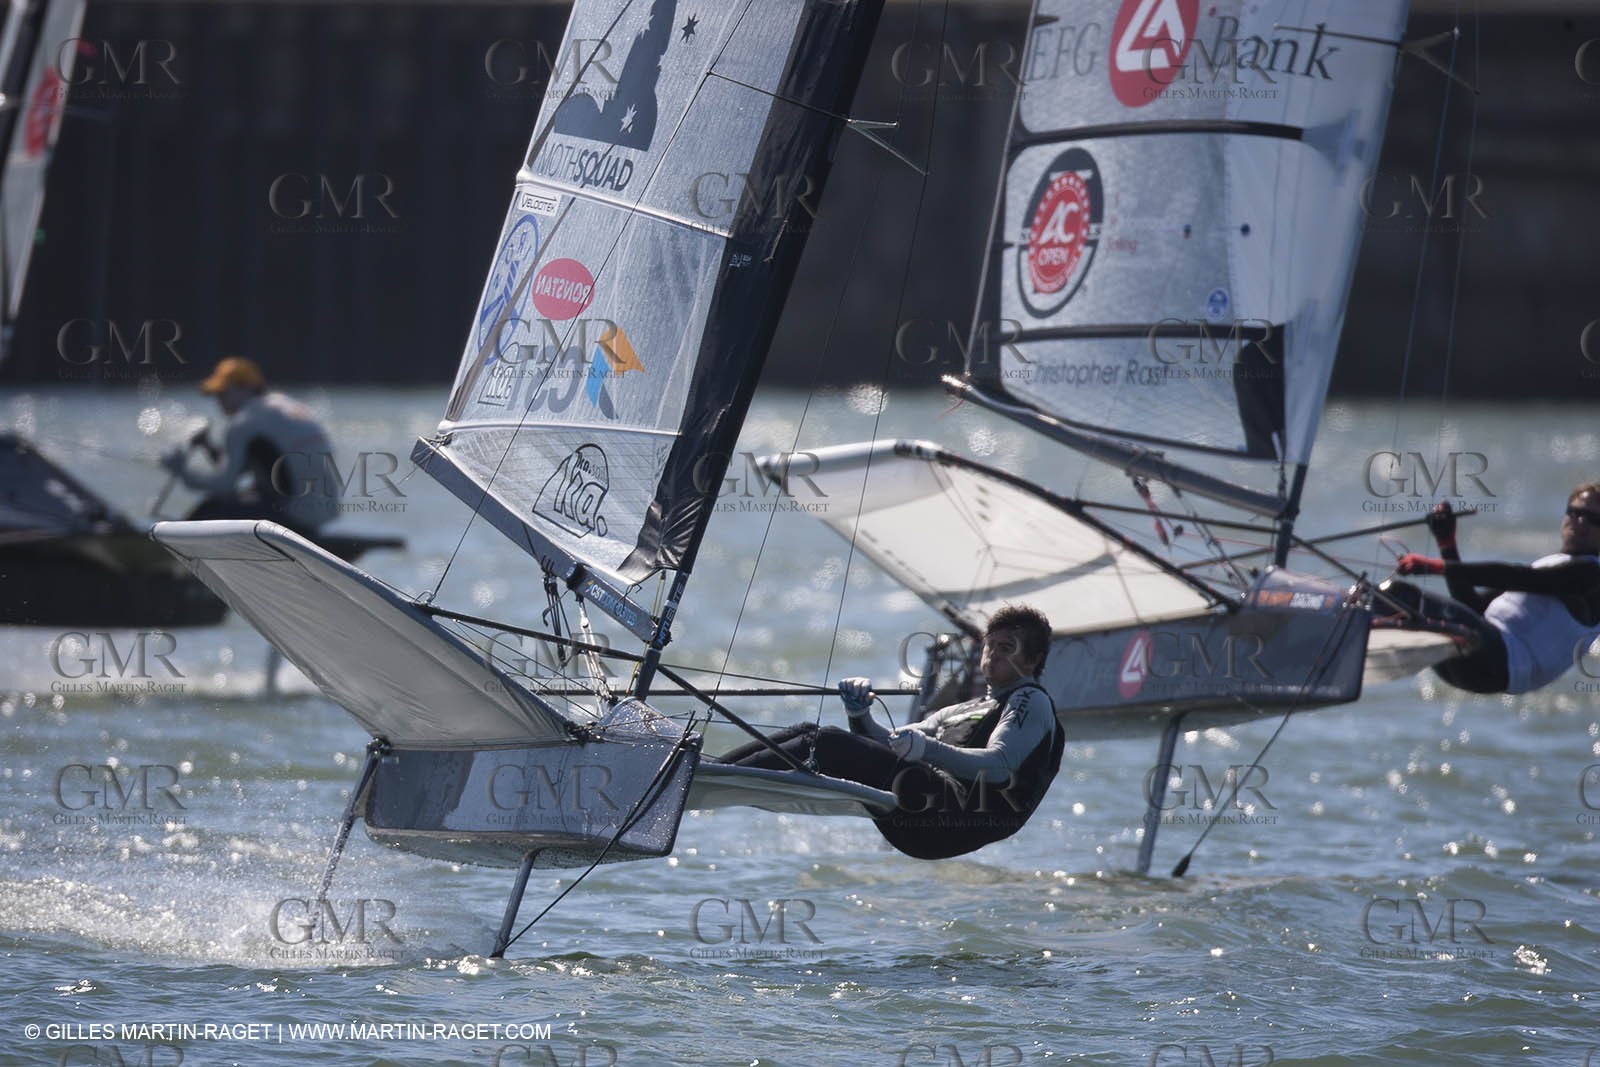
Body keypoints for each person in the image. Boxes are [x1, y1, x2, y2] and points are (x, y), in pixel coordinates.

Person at [720, 605, 1063, 859]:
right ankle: (713, 771)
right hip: (921, 815)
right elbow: (890, 744)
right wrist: (860, 714)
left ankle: (705, 775)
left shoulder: (1030, 701)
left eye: (1007, 649)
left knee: (825, 743)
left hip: (955, 820)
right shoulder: (963, 709)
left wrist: (925, 749)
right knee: (809, 732)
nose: (992, 656)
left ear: (1032, 661)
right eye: (991, 645)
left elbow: (1000, 765)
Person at [1392, 486, 1600, 693]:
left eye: (1593, 519)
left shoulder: (1592, 576)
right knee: (1398, 604)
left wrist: (1437, 567)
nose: (1580, 522)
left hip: (1500, 661)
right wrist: (1446, 543)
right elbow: (1471, 607)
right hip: (1476, 662)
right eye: (1575, 513)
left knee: (1402, 596)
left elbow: (1520, 577)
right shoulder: (1554, 564)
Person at [159, 356, 337, 536]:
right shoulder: (283, 405)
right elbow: (249, 466)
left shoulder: (243, 422)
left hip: (293, 517)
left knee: (212, 508)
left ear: (244, 388)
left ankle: (180, 548)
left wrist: (181, 470)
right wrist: (207, 447)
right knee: (250, 492)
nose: (218, 400)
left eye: (222, 393)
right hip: (321, 515)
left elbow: (225, 485)